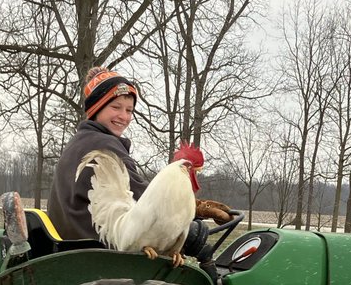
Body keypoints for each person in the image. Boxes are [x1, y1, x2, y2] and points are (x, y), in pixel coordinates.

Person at [46, 66, 232, 244]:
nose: (124, 116)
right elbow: (143, 197)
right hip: (98, 251)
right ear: (96, 108)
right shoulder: (103, 145)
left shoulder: (78, 143)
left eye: (129, 110)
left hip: (73, 245)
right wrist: (194, 208)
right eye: (116, 107)